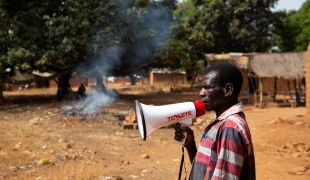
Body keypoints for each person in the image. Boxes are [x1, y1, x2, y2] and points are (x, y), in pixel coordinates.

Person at [174, 63, 256, 180]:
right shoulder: (220, 123)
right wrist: (190, 145)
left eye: (207, 88)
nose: (201, 93)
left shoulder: (230, 127)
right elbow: (206, 171)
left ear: (228, 90)